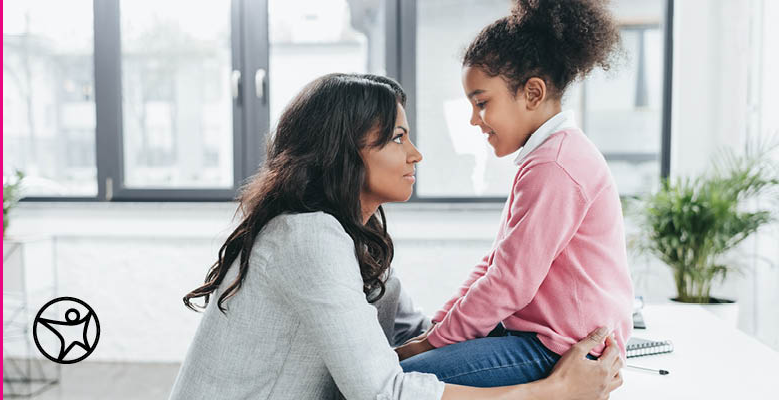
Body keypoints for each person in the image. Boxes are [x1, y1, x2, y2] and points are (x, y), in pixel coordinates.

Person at [169, 73, 622, 400]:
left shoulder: (352, 239)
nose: (416, 154)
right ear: (344, 152)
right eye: (397, 138)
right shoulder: (307, 238)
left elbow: (420, 337)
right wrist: (554, 390)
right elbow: (386, 393)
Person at [395, 0, 635, 388]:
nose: (475, 119)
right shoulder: (548, 156)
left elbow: (508, 282)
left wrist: (431, 344)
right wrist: (440, 326)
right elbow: (496, 263)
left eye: (482, 102)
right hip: (537, 338)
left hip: (558, 350)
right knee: (400, 370)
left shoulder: (555, 165)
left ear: (533, 94)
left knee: (399, 382)